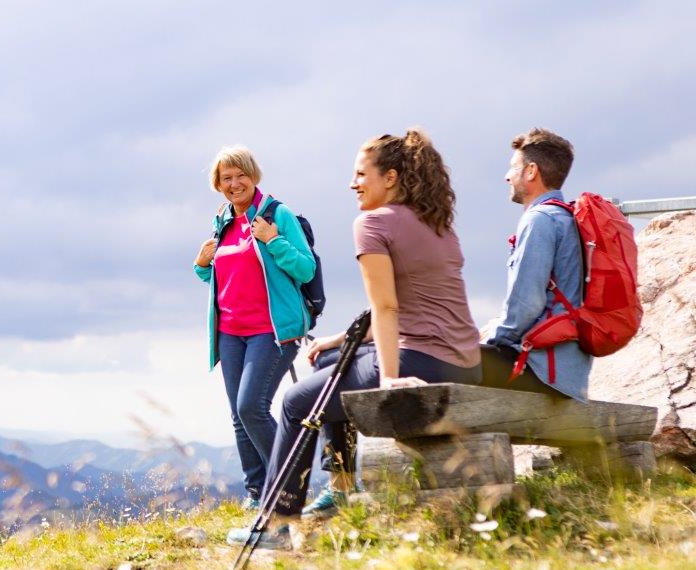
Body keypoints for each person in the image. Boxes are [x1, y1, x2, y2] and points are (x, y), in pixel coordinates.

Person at [246, 129, 482, 547]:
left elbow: (388, 307)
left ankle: (277, 524)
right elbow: (406, 307)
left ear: (390, 177)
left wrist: (389, 379)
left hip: (418, 361)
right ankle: (340, 488)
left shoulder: (372, 223)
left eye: (360, 174)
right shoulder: (438, 224)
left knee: (297, 401)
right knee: (325, 364)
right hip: (465, 363)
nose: (353, 183)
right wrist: (339, 339)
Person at [193, 146, 317, 509]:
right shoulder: (223, 222)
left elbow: (305, 269)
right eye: (226, 178)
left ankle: (290, 486)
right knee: (238, 415)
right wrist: (202, 266)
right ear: (218, 185)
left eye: (240, 175)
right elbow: (223, 276)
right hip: (230, 332)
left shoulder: (277, 215)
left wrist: (274, 240)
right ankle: (258, 493)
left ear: (253, 175)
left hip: (273, 331)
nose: (234, 184)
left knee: (251, 407)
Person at [478, 128, 587, 399]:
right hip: (568, 374)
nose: (507, 176)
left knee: (439, 362)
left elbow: (525, 305)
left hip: (538, 371)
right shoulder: (567, 218)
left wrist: (490, 344)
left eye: (513, 168)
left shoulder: (540, 220)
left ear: (531, 171)